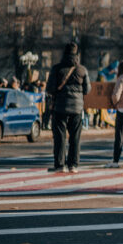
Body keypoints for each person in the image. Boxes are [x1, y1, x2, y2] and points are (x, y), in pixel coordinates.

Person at [44, 42, 91, 173]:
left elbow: (50, 88)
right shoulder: (82, 70)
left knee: (60, 137)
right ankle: (73, 165)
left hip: (60, 108)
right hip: (77, 109)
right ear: (77, 55)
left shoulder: (57, 69)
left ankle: (60, 165)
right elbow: (87, 90)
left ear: (64, 54)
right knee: (75, 138)